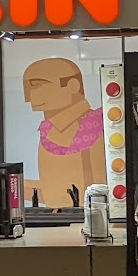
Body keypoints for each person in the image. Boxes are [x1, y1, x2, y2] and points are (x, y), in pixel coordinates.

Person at [21, 58, 104, 207]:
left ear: (72, 86)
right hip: (59, 216)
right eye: (28, 88)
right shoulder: (49, 131)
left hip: (89, 215)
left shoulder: (93, 125)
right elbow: (53, 190)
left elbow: (102, 188)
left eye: (39, 85)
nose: (31, 96)